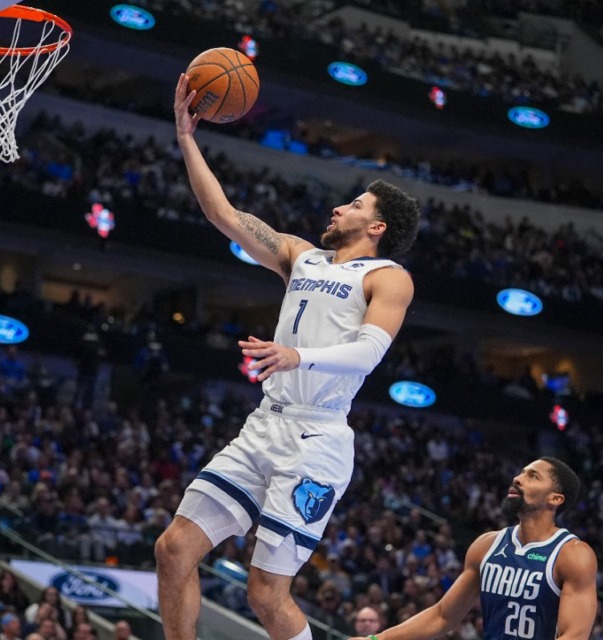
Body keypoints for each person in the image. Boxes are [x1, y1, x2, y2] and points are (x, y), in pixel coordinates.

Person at [156, 73, 422, 640]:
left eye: (353, 204)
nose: (337, 207)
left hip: (317, 441)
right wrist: (186, 139)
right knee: (174, 548)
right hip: (264, 426)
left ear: (375, 227)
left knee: (265, 593)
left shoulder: (388, 276)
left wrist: (298, 357)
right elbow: (225, 215)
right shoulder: (300, 256)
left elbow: (370, 351)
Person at [348, 458, 598, 640]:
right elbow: (443, 616)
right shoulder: (486, 546)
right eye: (521, 472)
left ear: (555, 499)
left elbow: (573, 635)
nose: (518, 479)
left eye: (533, 476)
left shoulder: (572, 554)